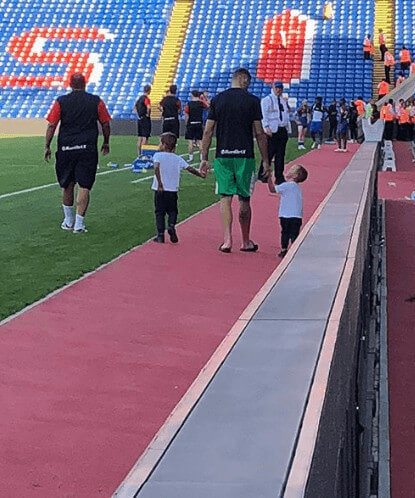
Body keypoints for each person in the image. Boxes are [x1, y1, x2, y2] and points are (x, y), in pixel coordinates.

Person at [200, 67, 270, 253]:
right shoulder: (253, 101)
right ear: (243, 79)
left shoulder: (218, 99)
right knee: (244, 199)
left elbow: (208, 131)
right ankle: (246, 241)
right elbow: (259, 133)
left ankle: (227, 240)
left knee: (225, 197)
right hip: (244, 156)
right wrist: (265, 160)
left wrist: (204, 157)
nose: (249, 84)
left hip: (223, 156)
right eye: (248, 80)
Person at [45, 73, 110, 233]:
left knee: (67, 184)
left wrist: (47, 145)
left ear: (70, 84)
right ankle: (79, 224)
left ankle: (68, 220)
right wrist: (106, 141)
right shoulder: (96, 101)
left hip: (66, 147)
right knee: (85, 185)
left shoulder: (61, 101)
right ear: (85, 83)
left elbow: (52, 124)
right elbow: (105, 123)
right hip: (87, 148)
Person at [152, 132, 205, 243]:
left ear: (163, 144)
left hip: (159, 190)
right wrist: (200, 174)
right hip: (172, 190)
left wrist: (160, 183)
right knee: (172, 211)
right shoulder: (177, 158)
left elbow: (156, 168)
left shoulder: (157, 156)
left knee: (159, 212)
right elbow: (189, 168)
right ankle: (171, 225)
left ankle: (160, 235)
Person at [267, 164, 308, 258]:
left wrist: (269, 178)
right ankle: (294, 248)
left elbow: (272, 190)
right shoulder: (296, 187)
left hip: (285, 214)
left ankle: (284, 249)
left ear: (295, 175)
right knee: (294, 233)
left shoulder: (286, 186)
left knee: (285, 232)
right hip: (297, 215)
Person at [258, 81, 290, 184]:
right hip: (272, 130)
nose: (279, 90)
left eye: (280, 88)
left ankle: (279, 176)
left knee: (280, 155)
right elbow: (264, 114)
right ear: (273, 88)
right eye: (277, 88)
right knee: (268, 153)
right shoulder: (268, 100)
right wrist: (266, 127)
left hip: (281, 128)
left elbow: (285, 114)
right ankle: (263, 174)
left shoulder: (283, 101)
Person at [184, 90, 206, 162]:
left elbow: (186, 114)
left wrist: (186, 123)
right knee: (200, 141)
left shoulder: (189, 104)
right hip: (199, 123)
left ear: (192, 95)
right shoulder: (201, 103)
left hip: (191, 123)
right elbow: (208, 106)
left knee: (190, 141)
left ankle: (190, 157)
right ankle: (201, 158)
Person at [135, 84, 152, 157]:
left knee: (140, 137)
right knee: (145, 137)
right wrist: (148, 114)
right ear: (149, 90)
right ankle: (144, 154)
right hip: (145, 119)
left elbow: (134, 107)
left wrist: (138, 114)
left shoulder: (139, 99)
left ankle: (139, 154)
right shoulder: (146, 98)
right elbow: (148, 107)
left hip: (139, 119)